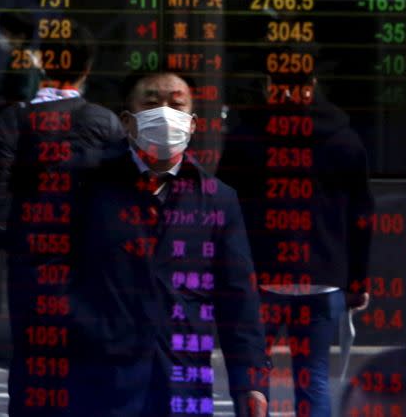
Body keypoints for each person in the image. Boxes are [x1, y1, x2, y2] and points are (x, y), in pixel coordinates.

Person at [69, 71, 269, 417]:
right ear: (128, 121)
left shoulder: (217, 200)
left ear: (192, 124)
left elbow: (239, 297)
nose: (165, 114)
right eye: (151, 103)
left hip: (182, 380)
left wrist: (250, 382)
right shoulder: (86, 186)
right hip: (102, 381)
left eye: (176, 105)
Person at [0, 22, 126, 417]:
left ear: (41, 62)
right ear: (88, 68)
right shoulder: (105, 123)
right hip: (93, 270)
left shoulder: (10, 121)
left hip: (30, 270)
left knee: (33, 371)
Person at [217, 63, 374, 417]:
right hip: (323, 279)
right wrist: (358, 281)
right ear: (313, 84)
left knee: (254, 373)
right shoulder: (344, 138)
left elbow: (224, 207)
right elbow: (361, 215)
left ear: (270, 84)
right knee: (314, 377)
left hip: (260, 277)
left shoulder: (247, 136)